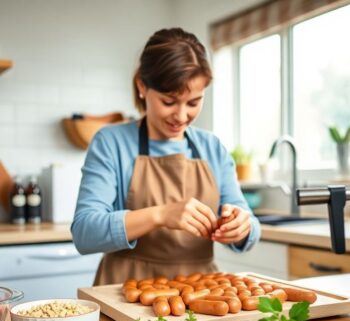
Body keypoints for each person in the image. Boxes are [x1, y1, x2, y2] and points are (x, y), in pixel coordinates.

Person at [71, 27, 261, 286]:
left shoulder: (212, 147)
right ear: (142, 86)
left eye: (193, 102)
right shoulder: (111, 142)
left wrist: (242, 226)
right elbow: (85, 232)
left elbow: (249, 223)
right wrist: (160, 215)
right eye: (169, 102)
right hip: (124, 290)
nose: (181, 116)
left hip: (201, 292)